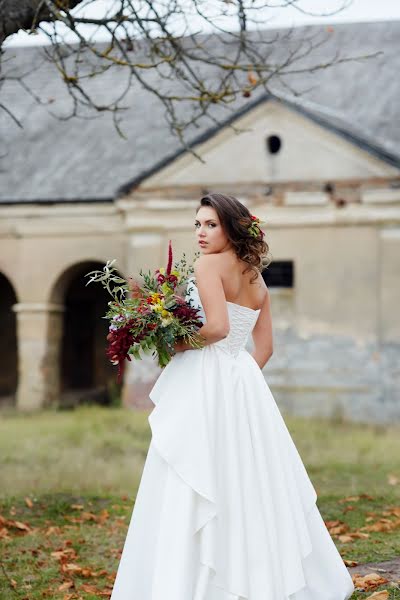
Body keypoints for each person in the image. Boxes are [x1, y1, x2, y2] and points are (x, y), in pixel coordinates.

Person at [110, 193, 355, 600]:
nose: (201, 234)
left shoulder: (208, 266)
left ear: (231, 226)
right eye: (197, 225)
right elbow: (264, 349)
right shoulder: (256, 279)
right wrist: (239, 384)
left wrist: (177, 346)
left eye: (211, 225)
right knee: (247, 477)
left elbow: (218, 328)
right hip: (241, 380)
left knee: (194, 470)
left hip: (206, 374)